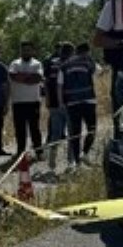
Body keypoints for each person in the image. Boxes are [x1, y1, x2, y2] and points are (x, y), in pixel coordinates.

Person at [59, 42, 99, 166]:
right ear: (87, 51)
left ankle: (77, 162)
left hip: (72, 103)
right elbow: (98, 71)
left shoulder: (64, 65)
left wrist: (61, 102)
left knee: (75, 133)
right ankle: (85, 153)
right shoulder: (88, 62)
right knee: (92, 129)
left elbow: (59, 85)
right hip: (89, 101)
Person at [8, 40, 44, 163]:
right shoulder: (14, 63)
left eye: (28, 50)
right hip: (18, 101)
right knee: (20, 129)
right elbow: (13, 76)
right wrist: (29, 77)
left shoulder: (37, 64)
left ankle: (39, 152)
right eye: (24, 50)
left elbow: (37, 78)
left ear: (33, 51)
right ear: (21, 51)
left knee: (35, 128)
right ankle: (20, 152)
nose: (26, 52)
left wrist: (22, 77)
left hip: (33, 101)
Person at [43, 41, 72, 171]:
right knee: (72, 133)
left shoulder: (52, 63)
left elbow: (47, 83)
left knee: (56, 133)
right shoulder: (72, 64)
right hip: (70, 103)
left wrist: (48, 99)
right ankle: (71, 162)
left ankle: (51, 162)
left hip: (54, 102)